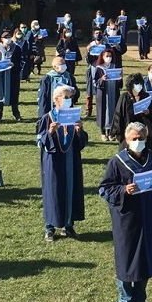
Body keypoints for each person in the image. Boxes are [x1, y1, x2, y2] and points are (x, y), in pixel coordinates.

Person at [98, 122, 152, 302]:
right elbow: (104, 189)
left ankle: (140, 299)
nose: (138, 142)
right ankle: (125, 301)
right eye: (134, 139)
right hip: (127, 218)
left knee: (145, 257)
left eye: (141, 138)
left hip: (149, 215)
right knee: (127, 258)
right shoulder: (117, 162)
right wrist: (123, 190)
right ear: (127, 140)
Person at [37, 85, 89, 242]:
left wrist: (80, 131)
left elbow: (81, 144)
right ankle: (50, 227)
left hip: (70, 160)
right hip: (53, 162)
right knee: (53, 192)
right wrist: (50, 132)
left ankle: (68, 225)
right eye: (65, 97)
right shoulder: (47, 118)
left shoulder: (74, 117)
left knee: (71, 190)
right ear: (56, 99)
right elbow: (39, 142)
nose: (68, 100)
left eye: (70, 98)